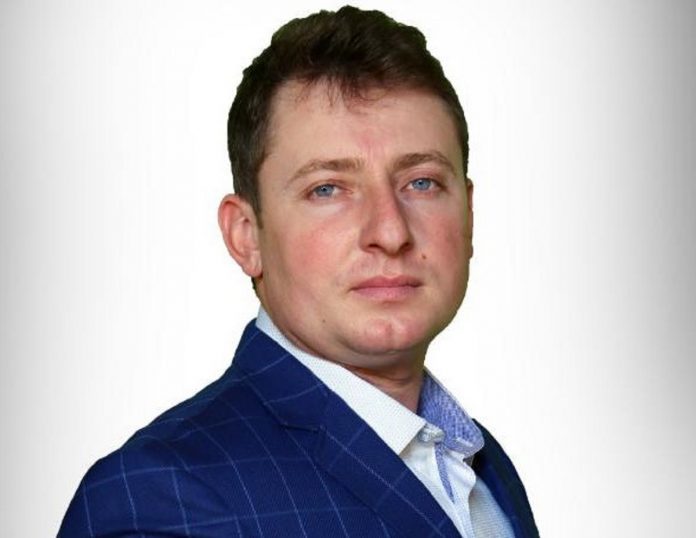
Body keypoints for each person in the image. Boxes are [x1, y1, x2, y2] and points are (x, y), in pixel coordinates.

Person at [59, 6, 538, 537]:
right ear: (246, 236)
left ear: (468, 213)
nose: (390, 232)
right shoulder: (163, 497)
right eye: (327, 189)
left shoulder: (483, 466)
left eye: (421, 182)